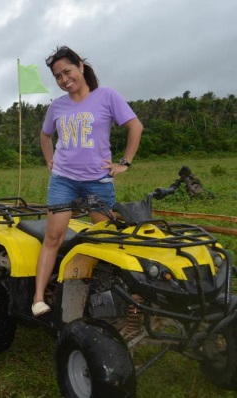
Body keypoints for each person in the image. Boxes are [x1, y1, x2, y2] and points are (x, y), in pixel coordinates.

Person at [31, 46, 143, 316]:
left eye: (67, 71)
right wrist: (50, 160)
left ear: (80, 67)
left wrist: (124, 163)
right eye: (58, 76)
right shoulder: (57, 106)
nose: (63, 79)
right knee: (53, 236)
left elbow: (135, 126)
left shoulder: (106, 96)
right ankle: (38, 298)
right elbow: (45, 136)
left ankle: (123, 298)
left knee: (106, 238)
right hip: (63, 181)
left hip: (98, 181)